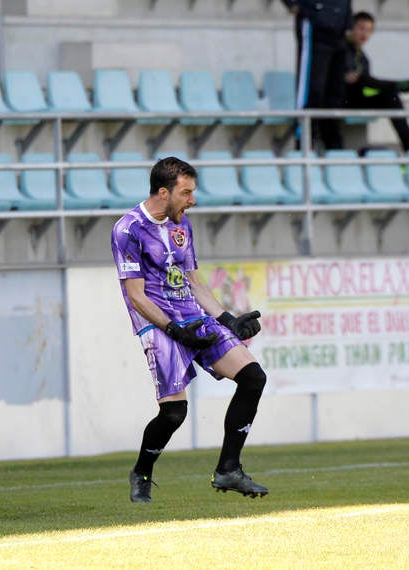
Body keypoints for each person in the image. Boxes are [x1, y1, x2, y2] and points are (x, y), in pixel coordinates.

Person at [111, 156, 268, 503]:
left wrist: (228, 320)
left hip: (194, 318)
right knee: (174, 413)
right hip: (159, 324)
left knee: (253, 377)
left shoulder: (183, 226)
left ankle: (229, 468)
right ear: (163, 192)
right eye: (187, 192)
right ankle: (142, 472)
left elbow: (195, 284)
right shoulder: (128, 229)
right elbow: (136, 297)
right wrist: (173, 329)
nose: (192, 200)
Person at [344, 11, 409, 153]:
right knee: (372, 83)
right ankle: (396, 86)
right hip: (341, 101)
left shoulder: (362, 57)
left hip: (356, 99)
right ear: (351, 27)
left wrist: (385, 88)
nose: (365, 34)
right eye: (361, 28)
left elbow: (365, 86)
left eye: (369, 30)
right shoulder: (341, 49)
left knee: (389, 93)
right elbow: (356, 80)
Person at [283, 0, 353, 151]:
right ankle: (305, 145)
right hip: (315, 25)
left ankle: (334, 148)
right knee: (312, 91)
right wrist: (294, 5)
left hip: (339, 28)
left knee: (335, 93)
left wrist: (348, 21)